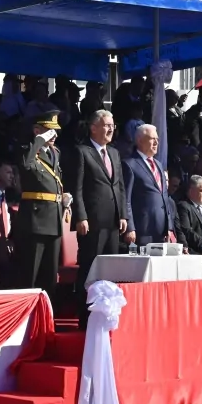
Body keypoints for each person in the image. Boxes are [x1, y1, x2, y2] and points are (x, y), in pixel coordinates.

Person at [71, 110, 128, 329]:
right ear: (93, 127)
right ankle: (85, 320)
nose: (111, 128)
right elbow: (76, 188)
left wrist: (122, 213)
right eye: (106, 125)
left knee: (109, 271)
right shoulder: (82, 152)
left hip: (113, 222)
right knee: (90, 270)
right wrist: (81, 216)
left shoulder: (114, 153)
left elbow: (120, 186)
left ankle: (106, 318)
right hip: (92, 222)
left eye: (112, 125)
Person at [15, 110, 69, 299]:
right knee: (30, 275)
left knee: (49, 277)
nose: (53, 135)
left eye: (54, 131)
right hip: (34, 222)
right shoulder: (27, 150)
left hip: (53, 220)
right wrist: (38, 140)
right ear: (36, 129)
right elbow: (26, 165)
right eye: (48, 130)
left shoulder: (55, 153)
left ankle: (46, 318)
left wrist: (63, 199)